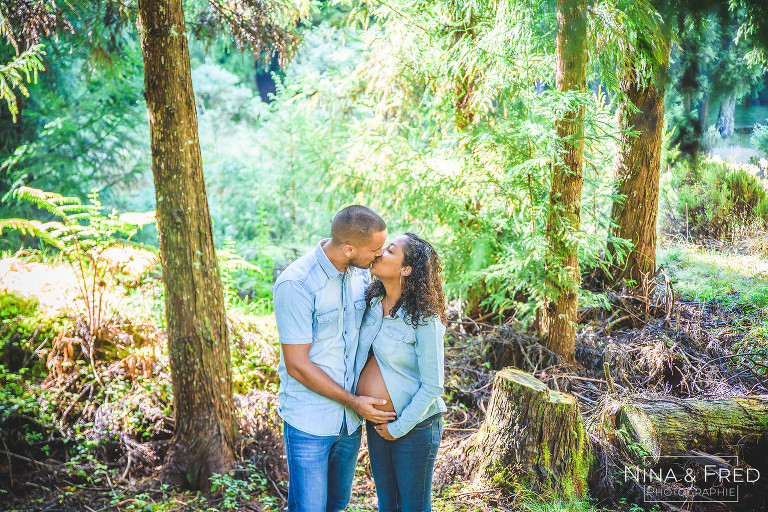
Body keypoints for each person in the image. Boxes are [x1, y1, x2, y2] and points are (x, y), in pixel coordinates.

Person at [273, 205, 398, 512]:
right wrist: (353, 401)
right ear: (348, 248)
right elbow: (298, 366)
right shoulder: (297, 284)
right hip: (309, 422)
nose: (380, 255)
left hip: (349, 423)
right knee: (309, 507)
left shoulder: (360, 277)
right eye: (375, 249)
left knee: (336, 504)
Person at [354, 233, 447, 512]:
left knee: (412, 508)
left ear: (406, 269)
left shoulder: (425, 318)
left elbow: (433, 386)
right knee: (387, 505)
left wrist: (398, 428)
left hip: (415, 426)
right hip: (377, 422)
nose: (380, 252)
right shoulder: (371, 304)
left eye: (390, 251)